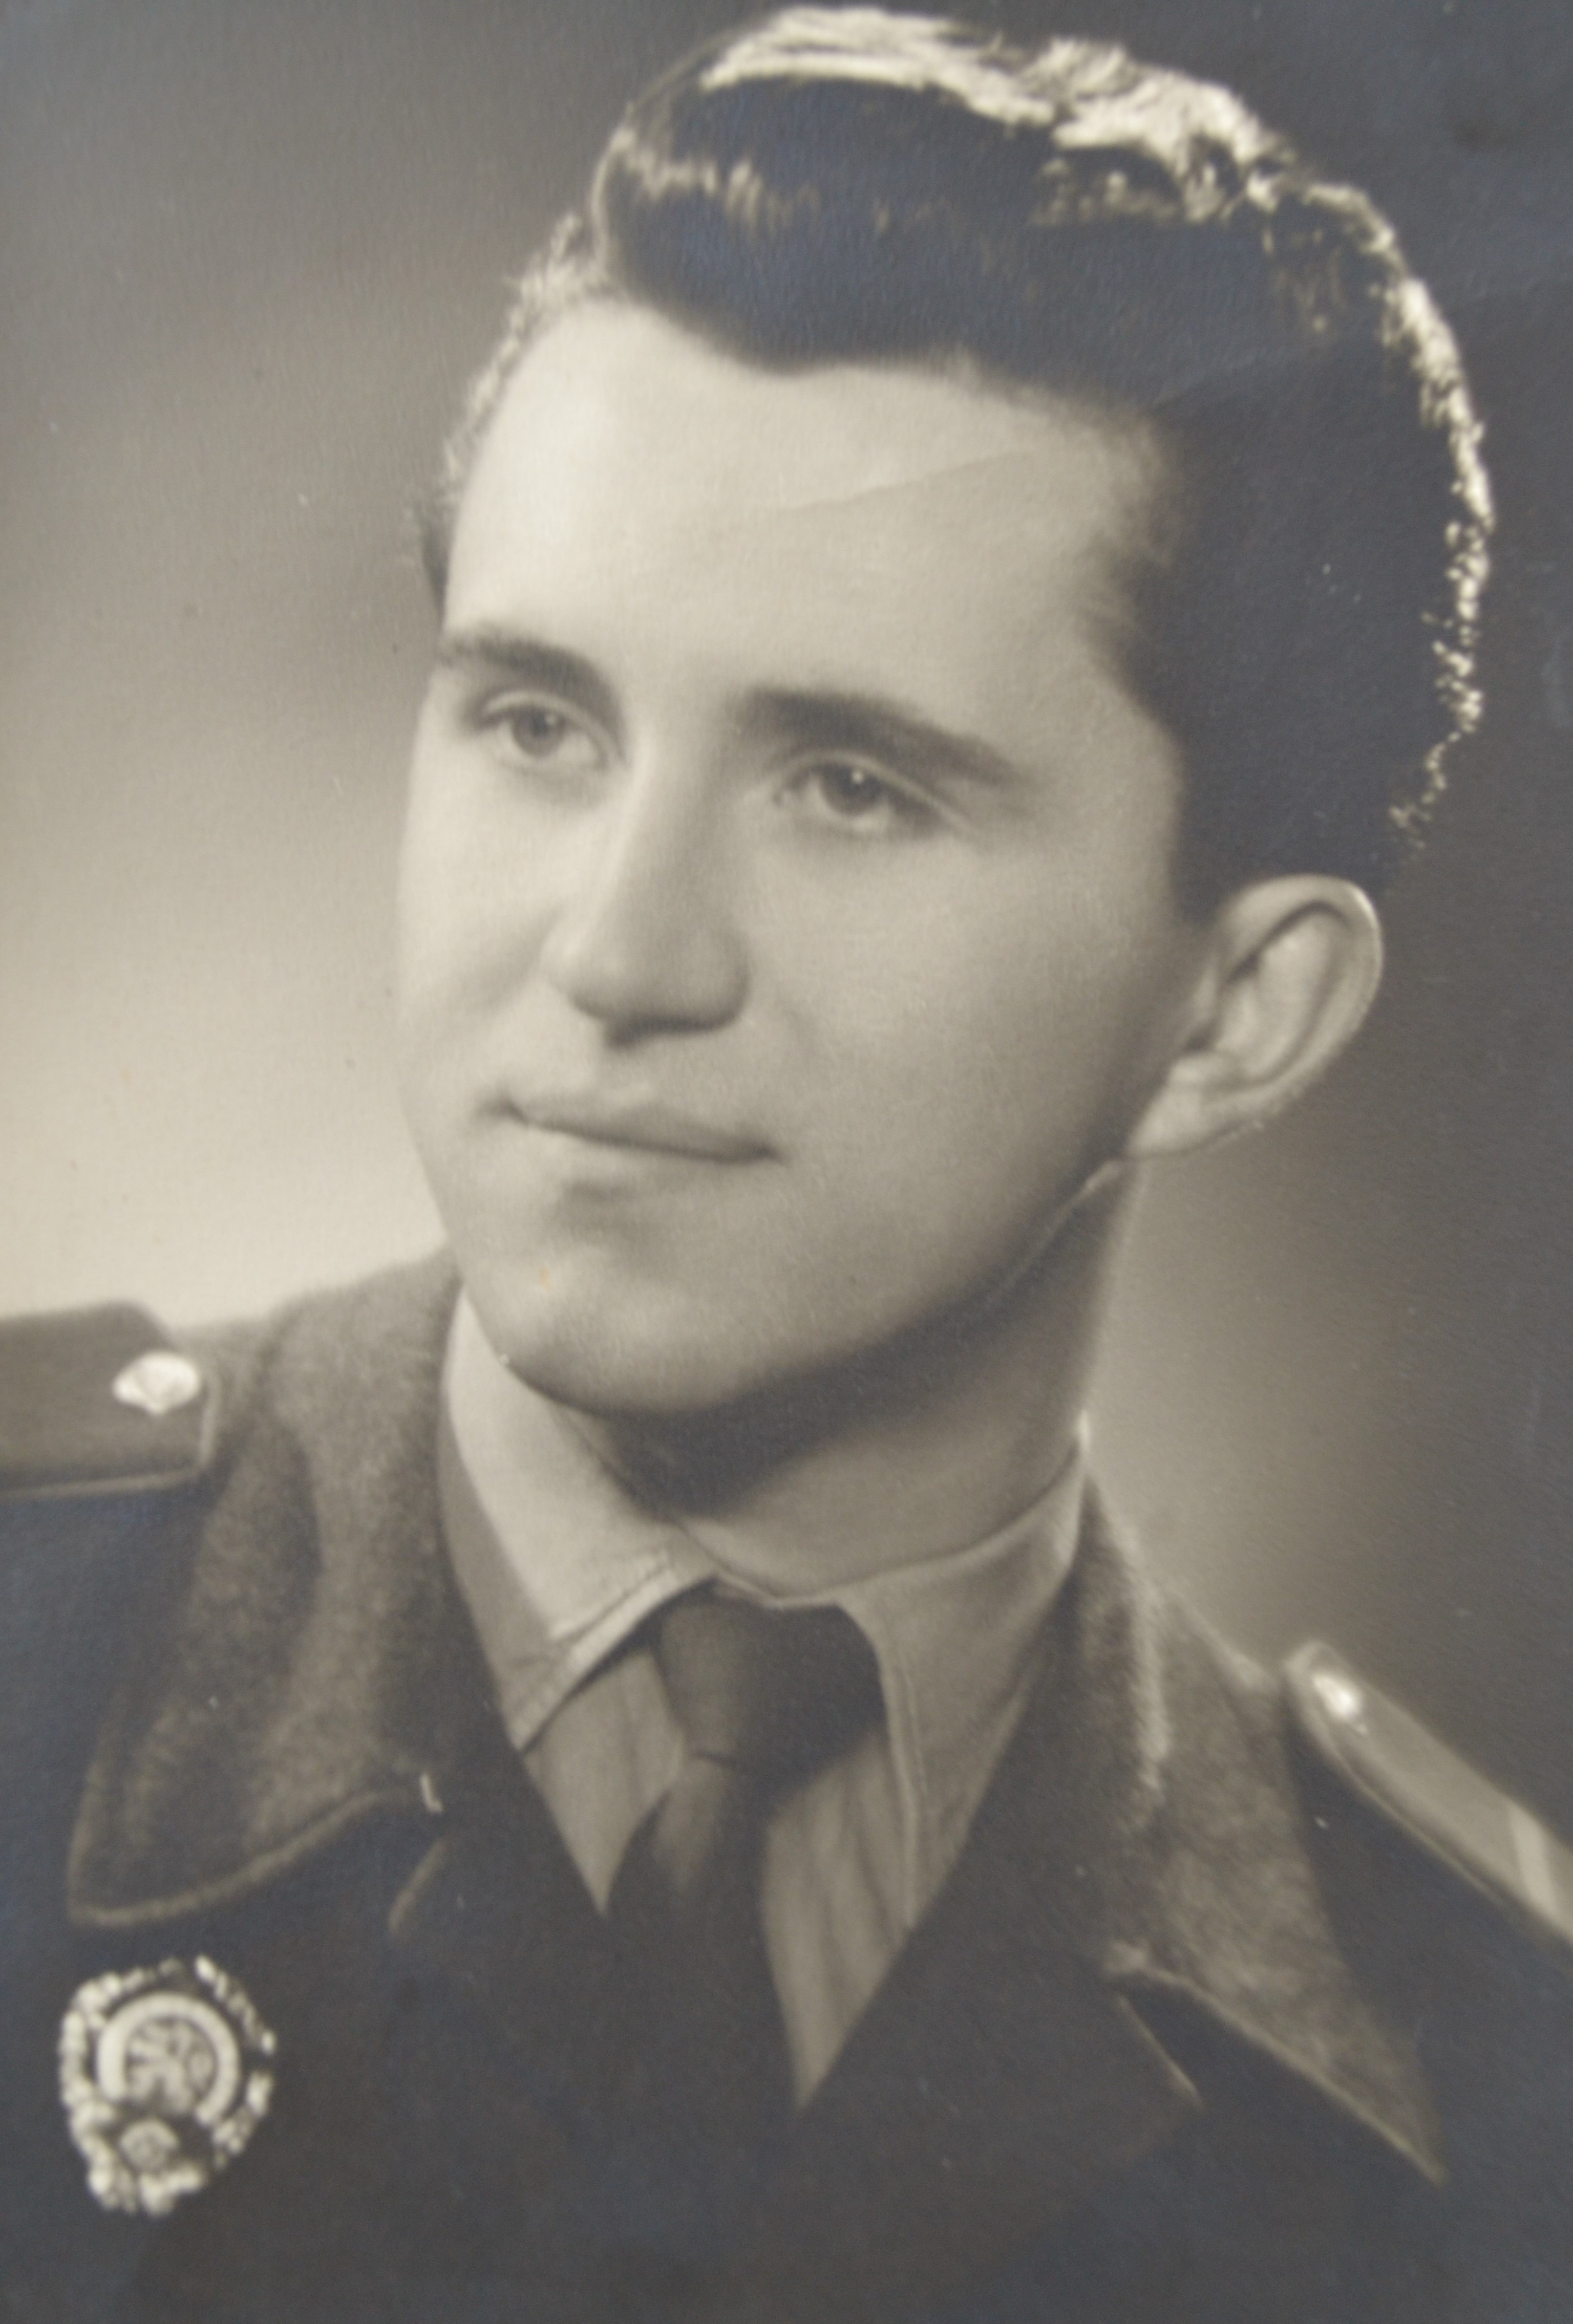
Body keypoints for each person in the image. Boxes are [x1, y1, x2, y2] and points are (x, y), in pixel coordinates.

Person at [3, 10, 1570, 2319]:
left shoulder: (1485, 2077)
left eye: (852, 785)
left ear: (1237, 1011)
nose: (615, 954)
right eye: (538, 719)